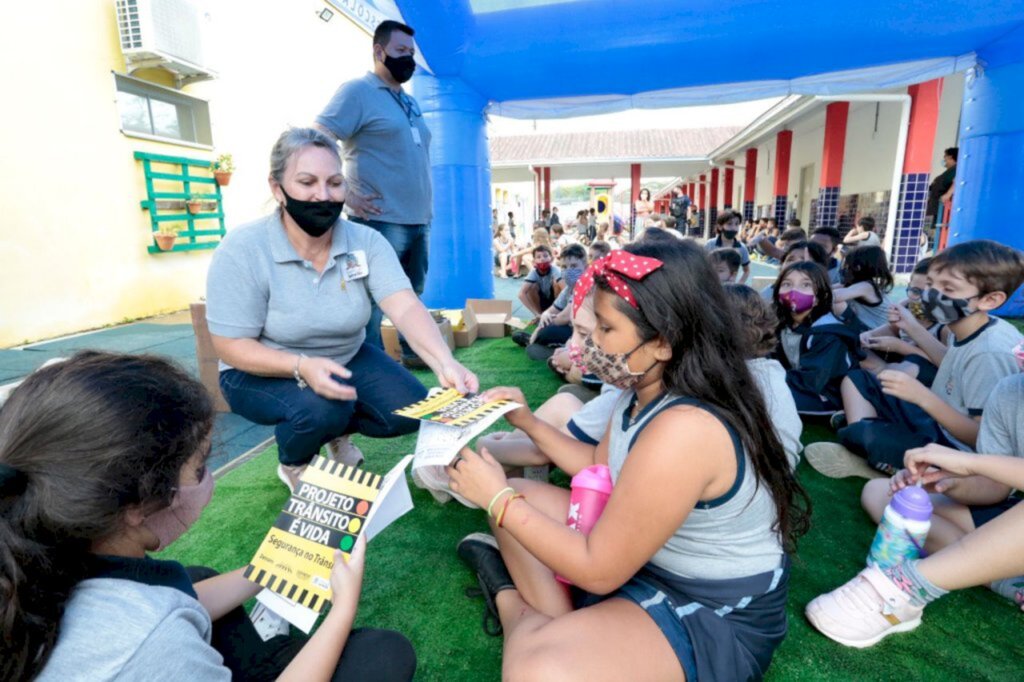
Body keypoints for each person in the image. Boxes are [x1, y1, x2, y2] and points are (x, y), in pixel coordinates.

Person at [450, 240, 811, 681]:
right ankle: (567, 634)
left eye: (604, 330)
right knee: (524, 496)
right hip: (649, 558)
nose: (587, 346)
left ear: (662, 342)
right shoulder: (643, 389)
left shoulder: (686, 428)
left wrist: (497, 498)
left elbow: (599, 571)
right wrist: (528, 423)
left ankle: (514, 606)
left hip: (711, 608)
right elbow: (598, 463)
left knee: (535, 670)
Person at [0, 352, 416, 681]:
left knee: (191, 579)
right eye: (199, 467)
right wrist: (343, 607)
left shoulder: (40, 538)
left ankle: (270, 651)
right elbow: (153, 633)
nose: (206, 479)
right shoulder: (149, 640)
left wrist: (267, 569)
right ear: (135, 504)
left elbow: (176, 602)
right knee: (383, 654)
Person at [206, 128, 477, 492]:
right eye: (306, 182)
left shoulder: (365, 241)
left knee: (408, 410)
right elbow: (229, 345)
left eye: (335, 183)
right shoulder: (243, 249)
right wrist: (301, 366)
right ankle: (295, 461)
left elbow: (404, 305)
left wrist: (446, 362)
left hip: (343, 355)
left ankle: (338, 435)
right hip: (258, 369)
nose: (323, 195)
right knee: (322, 409)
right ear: (277, 188)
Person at [805, 240, 1024, 480]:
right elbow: (950, 362)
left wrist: (921, 395)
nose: (931, 295)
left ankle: (880, 459)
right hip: (935, 423)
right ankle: (879, 450)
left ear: (990, 300)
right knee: (860, 381)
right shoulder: (967, 327)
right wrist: (906, 328)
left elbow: (982, 437)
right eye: (930, 284)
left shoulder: (990, 352)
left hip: (955, 452)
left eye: (948, 289)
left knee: (862, 434)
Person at [807, 436, 1024, 648]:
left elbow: (978, 465)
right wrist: (951, 483)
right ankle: (1001, 575)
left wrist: (971, 463)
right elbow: (996, 487)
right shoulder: (1006, 400)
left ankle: (906, 588)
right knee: (882, 494)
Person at [315, 20, 431, 350]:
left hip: (419, 220)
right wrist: (345, 194)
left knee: (412, 295)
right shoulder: (357, 91)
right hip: (378, 222)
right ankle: (370, 374)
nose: (407, 58)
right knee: (370, 304)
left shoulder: (409, 102)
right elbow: (320, 134)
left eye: (411, 52)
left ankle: (413, 355)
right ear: (379, 52)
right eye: (400, 51)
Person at [773, 261, 863, 415]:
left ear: (819, 297)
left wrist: (770, 379)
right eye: (787, 284)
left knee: (767, 398)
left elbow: (812, 381)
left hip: (828, 395)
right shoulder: (782, 324)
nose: (794, 290)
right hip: (797, 383)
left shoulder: (827, 334)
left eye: (805, 285)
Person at [831, 245, 896, 333]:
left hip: (878, 332)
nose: (843, 270)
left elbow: (834, 296)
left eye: (847, 266)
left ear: (857, 268)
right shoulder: (856, 284)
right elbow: (826, 289)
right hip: (870, 329)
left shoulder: (866, 286)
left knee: (837, 304)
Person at [704, 211, 751, 284]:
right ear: (720, 226)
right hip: (710, 286)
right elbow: (701, 266)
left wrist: (739, 284)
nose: (733, 228)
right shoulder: (710, 244)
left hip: (730, 289)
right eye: (729, 224)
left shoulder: (742, 248)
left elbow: (746, 271)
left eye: (736, 224)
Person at [518, 245, 563, 318]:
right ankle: (540, 315)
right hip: (541, 301)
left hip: (555, 301)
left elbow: (565, 289)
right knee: (531, 286)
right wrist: (535, 313)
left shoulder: (555, 269)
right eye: (538, 257)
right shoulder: (533, 272)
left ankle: (556, 312)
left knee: (557, 283)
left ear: (551, 258)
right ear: (534, 261)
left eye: (545, 256)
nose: (542, 259)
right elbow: (521, 294)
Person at [927, 147, 958, 234]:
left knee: (940, 235)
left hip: (944, 212)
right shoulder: (948, 172)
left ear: (951, 157)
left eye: (945, 156)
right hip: (936, 210)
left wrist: (948, 194)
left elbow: (957, 181)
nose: (944, 159)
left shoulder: (957, 170)